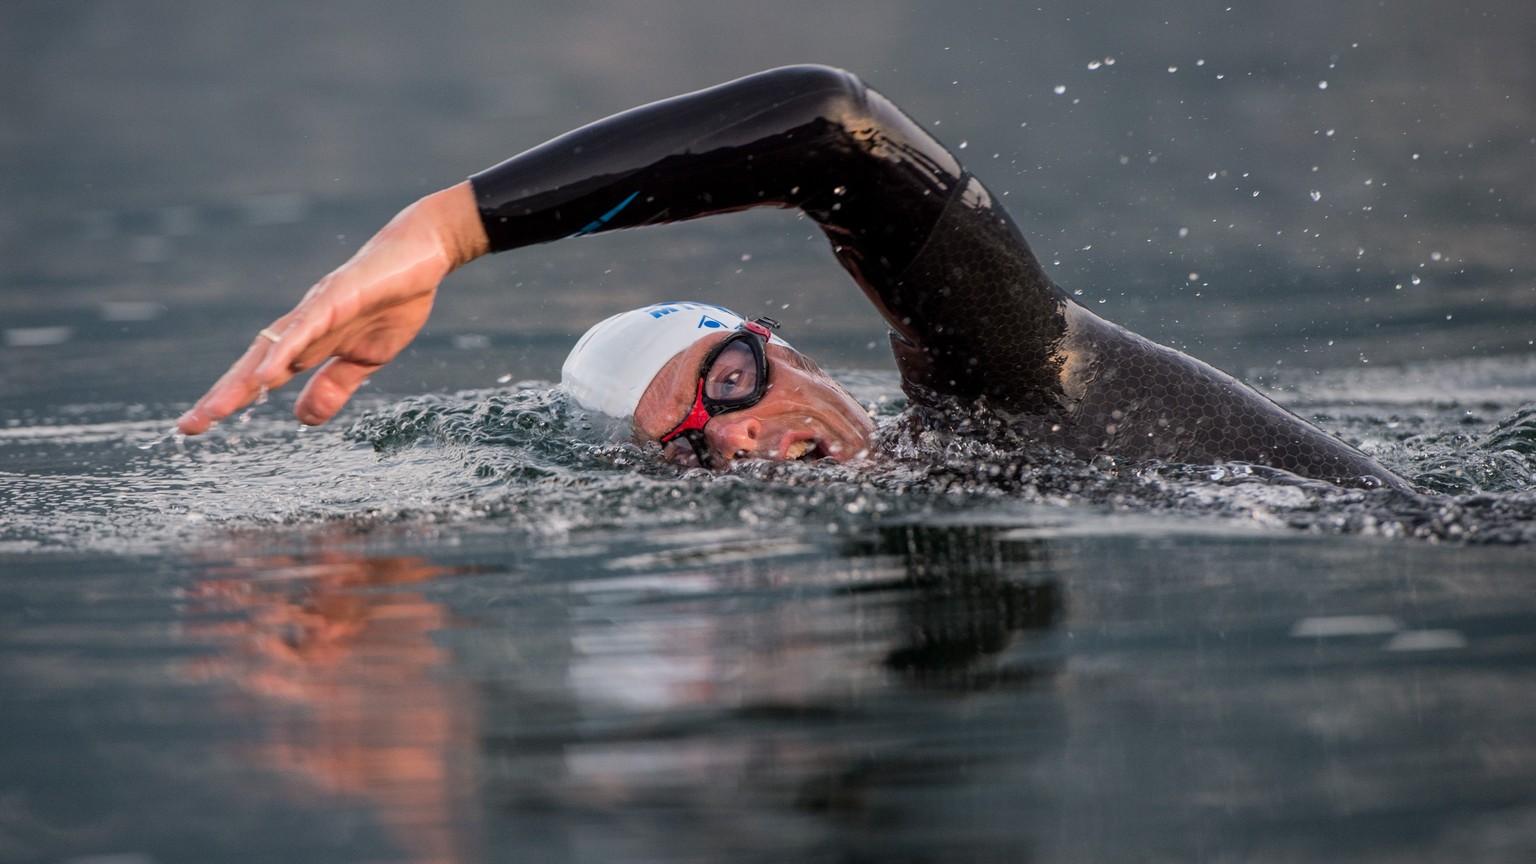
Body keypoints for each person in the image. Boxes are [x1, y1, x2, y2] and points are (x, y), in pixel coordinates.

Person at [176, 65, 1411, 492]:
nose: (746, 440)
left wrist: (447, 231)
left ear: (788, 347)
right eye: (690, 447)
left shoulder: (1010, 387)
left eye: (731, 378)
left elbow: (830, 130)